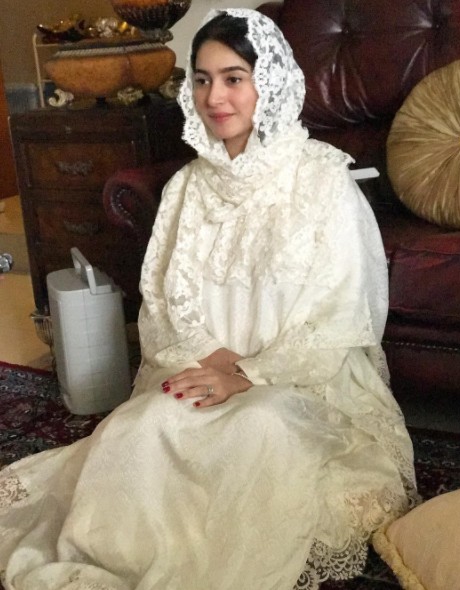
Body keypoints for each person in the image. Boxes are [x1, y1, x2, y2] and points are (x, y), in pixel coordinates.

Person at [0, 8, 417, 589]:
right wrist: (214, 366)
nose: (214, 96)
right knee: (140, 428)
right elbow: (164, 299)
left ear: (268, 84)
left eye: (233, 78)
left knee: (258, 432)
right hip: (198, 366)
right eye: (202, 79)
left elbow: (340, 311)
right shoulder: (186, 188)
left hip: (297, 383)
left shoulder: (323, 179)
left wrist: (247, 375)